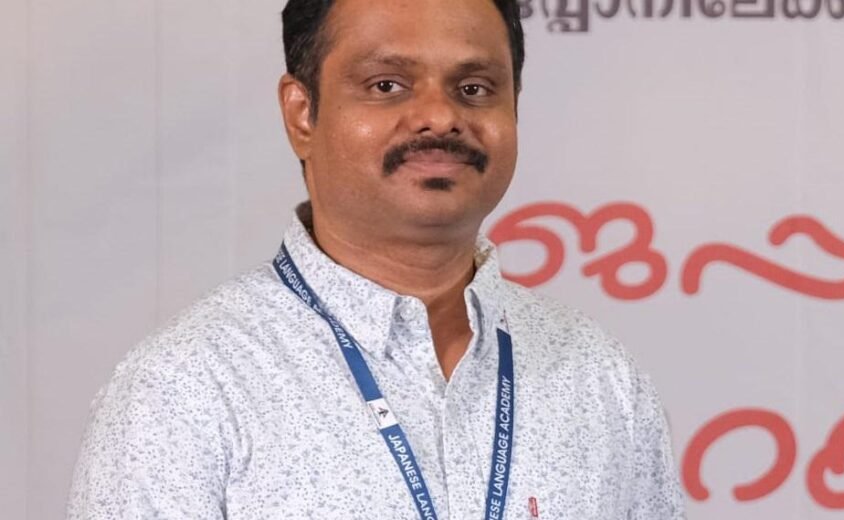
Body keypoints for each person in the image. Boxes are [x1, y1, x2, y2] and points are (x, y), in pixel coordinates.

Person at [67, 0, 686, 518]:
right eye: (387, 85)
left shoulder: (599, 376)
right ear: (301, 114)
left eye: (474, 89)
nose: (440, 116)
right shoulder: (186, 388)